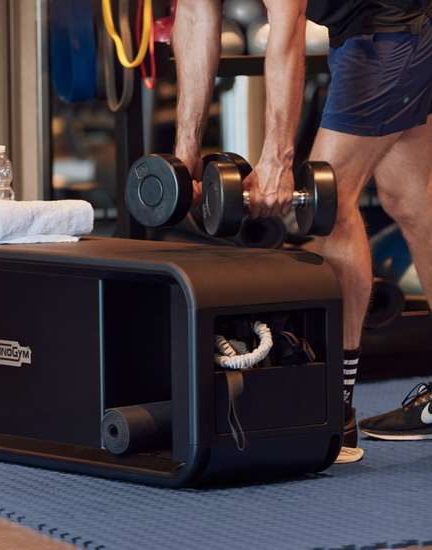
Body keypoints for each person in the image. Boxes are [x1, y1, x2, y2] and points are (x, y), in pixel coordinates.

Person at [172, 0, 432, 460]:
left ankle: (334, 410)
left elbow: (287, 28)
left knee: (329, 200)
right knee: (411, 199)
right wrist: (184, 158)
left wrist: (278, 159)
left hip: (392, 29)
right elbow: (194, 18)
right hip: (370, 31)